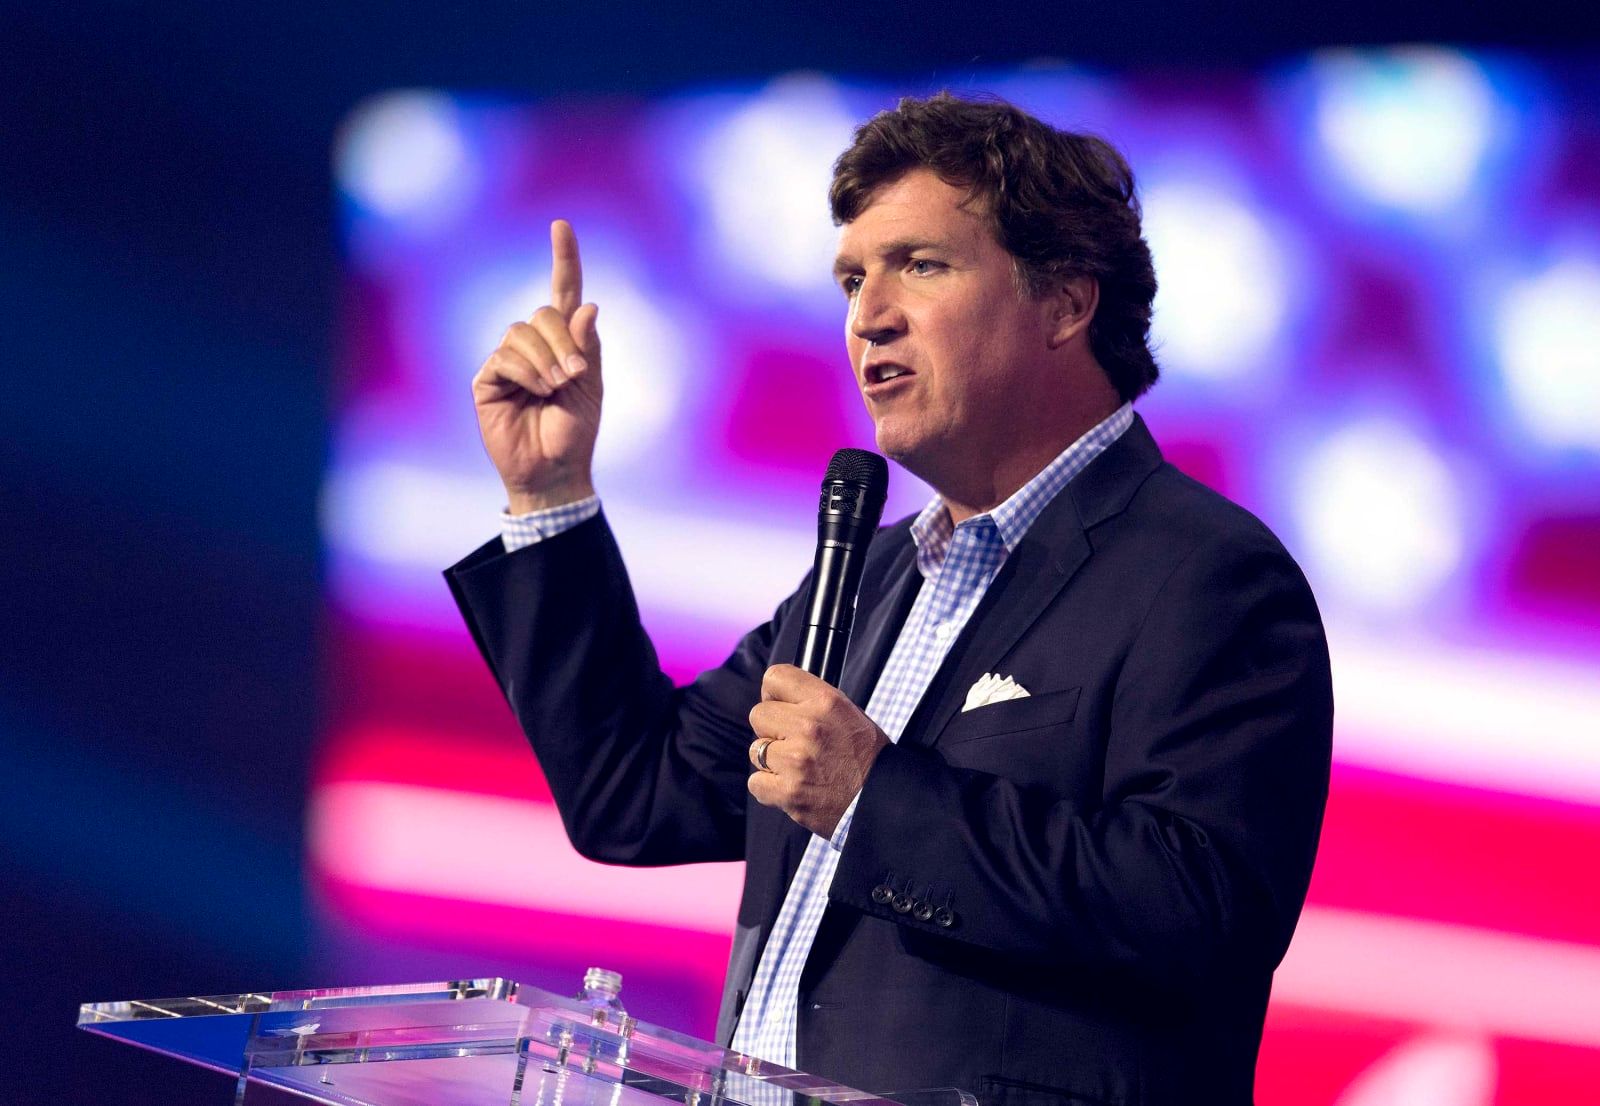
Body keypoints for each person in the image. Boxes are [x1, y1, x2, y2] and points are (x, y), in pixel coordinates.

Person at [446, 93, 1333, 1106]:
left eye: (921, 264)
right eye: (852, 278)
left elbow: (1201, 907)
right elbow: (633, 792)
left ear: (1063, 304)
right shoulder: (865, 581)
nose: (868, 314)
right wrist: (550, 494)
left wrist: (875, 798)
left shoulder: (1205, 575)